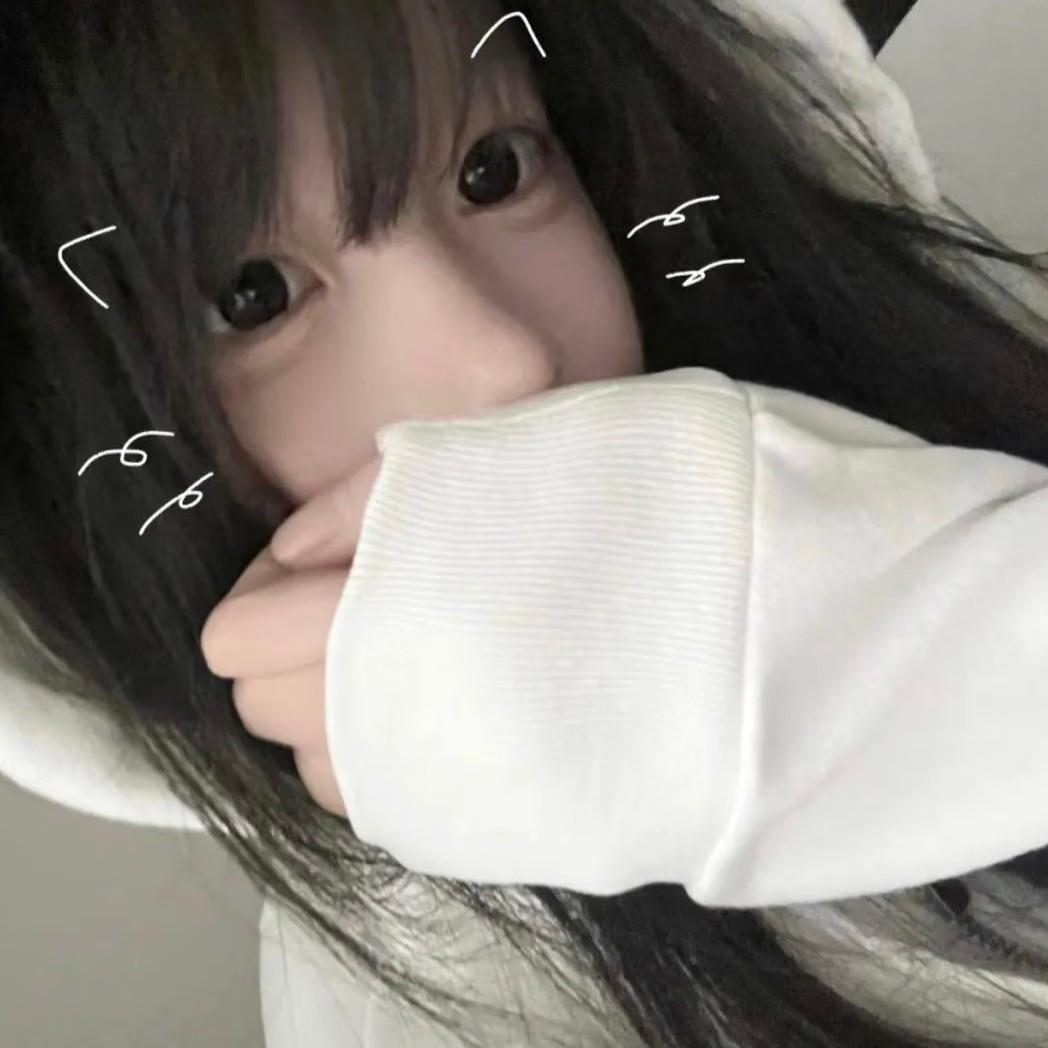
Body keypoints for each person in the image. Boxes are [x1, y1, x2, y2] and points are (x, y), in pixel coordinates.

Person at [3, 0, 1048, 1045]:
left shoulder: (905, 435)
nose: (503, 360)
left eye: (493, 170)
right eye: (253, 299)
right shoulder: (421, 1007)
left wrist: (870, 646)